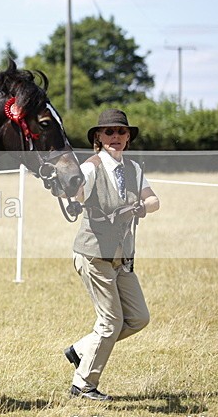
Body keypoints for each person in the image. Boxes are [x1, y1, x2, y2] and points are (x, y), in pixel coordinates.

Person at [65, 108, 160, 401]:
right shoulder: (91, 167)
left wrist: (142, 207)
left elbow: (153, 200)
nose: (115, 136)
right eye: (109, 132)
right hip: (94, 255)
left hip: (122, 256)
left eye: (121, 131)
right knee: (110, 323)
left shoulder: (134, 169)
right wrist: (71, 188)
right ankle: (83, 385)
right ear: (98, 137)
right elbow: (77, 193)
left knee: (138, 317)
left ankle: (81, 350)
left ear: (128, 137)